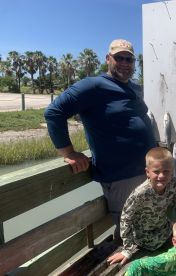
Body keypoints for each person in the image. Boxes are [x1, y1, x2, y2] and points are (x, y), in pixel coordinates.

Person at [44, 39, 156, 242]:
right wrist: (68, 152)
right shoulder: (92, 86)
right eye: (118, 58)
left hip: (148, 171)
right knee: (132, 233)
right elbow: (54, 112)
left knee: (150, 226)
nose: (124, 63)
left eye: (129, 59)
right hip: (121, 177)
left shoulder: (135, 88)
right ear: (108, 59)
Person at [107, 147, 176, 266]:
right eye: (156, 171)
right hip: (142, 239)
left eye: (166, 171)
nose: (161, 176)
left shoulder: (175, 185)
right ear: (147, 172)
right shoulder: (140, 193)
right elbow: (125, 218)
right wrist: (127, 250)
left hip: (165, 232)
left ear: (172, 170)